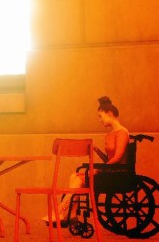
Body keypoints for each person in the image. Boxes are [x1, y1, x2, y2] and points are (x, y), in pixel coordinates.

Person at [45, 95, 129, 225]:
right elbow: (108, 159)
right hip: (109, 170)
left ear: (110, 113)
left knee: (79, 178)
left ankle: (60, 211)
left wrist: (99, 169)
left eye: (100, 116)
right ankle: (72, 214)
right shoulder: (109, 134)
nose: (99, 120)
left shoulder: (122, 132)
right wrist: (96, 150)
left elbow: (118, 157)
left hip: (117, 173)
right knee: (74, 175)